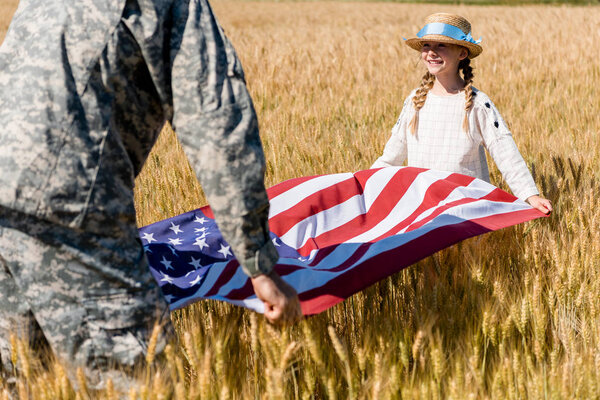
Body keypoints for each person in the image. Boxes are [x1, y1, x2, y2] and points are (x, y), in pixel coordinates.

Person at [0, 0, 301, 392]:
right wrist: (259, 262)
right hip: (70, 204)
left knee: (26, 382)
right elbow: (217, 125)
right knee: (144, 382)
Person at [372, 13, 552, 215]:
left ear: (462, 53)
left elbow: (504, 151)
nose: (431, 52)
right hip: (423, 209)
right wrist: (363, 183)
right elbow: (391, 156)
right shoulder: (415, 100)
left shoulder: (477, 103)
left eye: (441, 45)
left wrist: (530, 195)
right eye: (426, 46)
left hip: (467, 210)